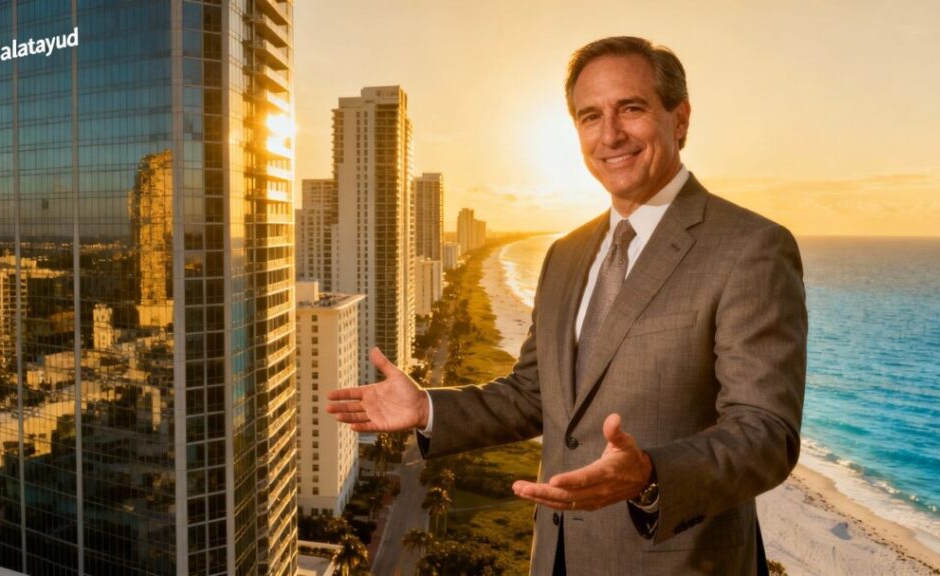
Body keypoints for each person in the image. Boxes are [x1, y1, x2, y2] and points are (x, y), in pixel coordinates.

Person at [327, 36, 807, 575]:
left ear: (680, 119)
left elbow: (766, 433)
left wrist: (650, 475)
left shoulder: (749, 247)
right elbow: (535, 394)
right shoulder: (566, 253)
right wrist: (428, 408)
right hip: (555, 560)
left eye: (631, 108)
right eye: (589, 116)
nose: (610, 135)